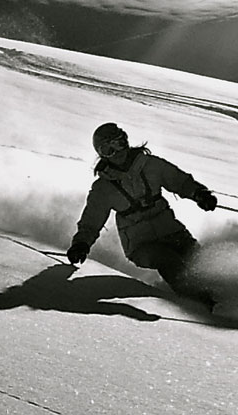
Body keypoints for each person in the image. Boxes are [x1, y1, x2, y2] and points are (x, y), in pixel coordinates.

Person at [66, 122, 220, 308]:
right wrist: (81, 244)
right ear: (102, 154)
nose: (117, 152)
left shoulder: (150, 165)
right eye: (109, 149)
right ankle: (198, 303)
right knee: (168, 260)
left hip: (171, 231)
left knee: (197, 258)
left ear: (126, 141)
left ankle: (222, 293)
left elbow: (178, 180)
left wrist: (199, 194)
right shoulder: (103, 188)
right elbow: (92, 220)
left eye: (119, 144)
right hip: (140, 245)